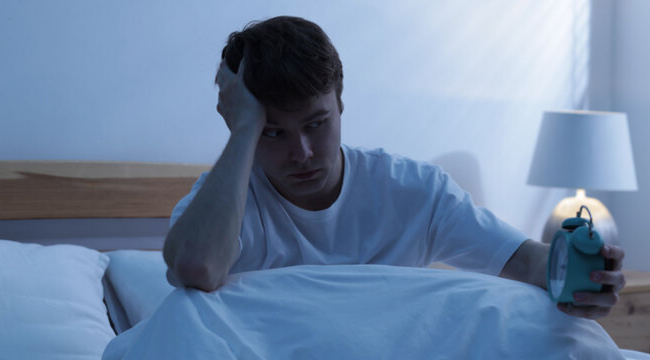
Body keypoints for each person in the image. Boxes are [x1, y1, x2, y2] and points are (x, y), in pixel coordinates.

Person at [162, 15, 626, 320]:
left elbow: (524, 260)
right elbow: (196, 267)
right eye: (274, 132)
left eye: (316, 123)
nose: (301, 152)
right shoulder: (223, 204)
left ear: (340, 100)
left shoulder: (411, 191)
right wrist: (243, 131)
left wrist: (587, 280)